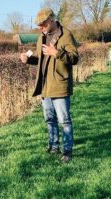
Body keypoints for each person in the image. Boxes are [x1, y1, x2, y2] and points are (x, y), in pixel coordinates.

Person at [20, 8, 79, 163]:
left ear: (52, 20)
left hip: (59, 85)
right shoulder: (42, 37)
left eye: (42, 24)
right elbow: (41, 59)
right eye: (39, 25)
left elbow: (74, 58)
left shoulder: (66, 35)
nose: (40, 27)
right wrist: (29, 60)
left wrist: (56, 52)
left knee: (64, 121)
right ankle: (53, 146)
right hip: (45, 86)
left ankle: (67, 152)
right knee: (49, 119)